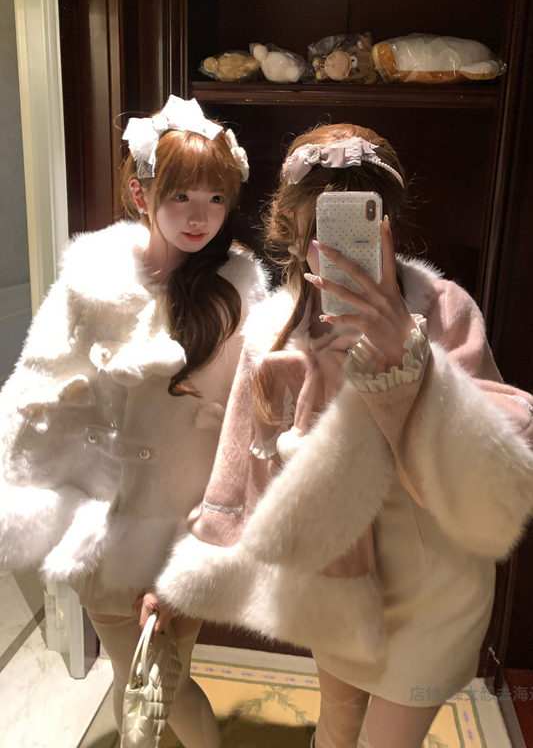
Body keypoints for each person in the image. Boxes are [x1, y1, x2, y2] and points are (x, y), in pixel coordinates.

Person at [154, 123, 533, 747]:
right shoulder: (274, 331)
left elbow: (505, 464)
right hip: (335, 583)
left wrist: (411, 357)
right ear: (292, 229)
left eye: (363, 222)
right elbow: (238, 471)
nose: (340, 248)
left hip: (437, 583)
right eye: (322, 230)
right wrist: (182, 583)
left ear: (388, 225)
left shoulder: (445, 308)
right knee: (334, 725)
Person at [0, 95, 268, 747]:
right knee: (135, 679)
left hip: (188, 522)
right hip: (106, 518)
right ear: (140, 192)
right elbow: (39, 386)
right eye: (181, 196)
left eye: (215, 198)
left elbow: (247, 417)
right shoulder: (91, 285)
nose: (199, 216)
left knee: (167, 680)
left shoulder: (238, 291)